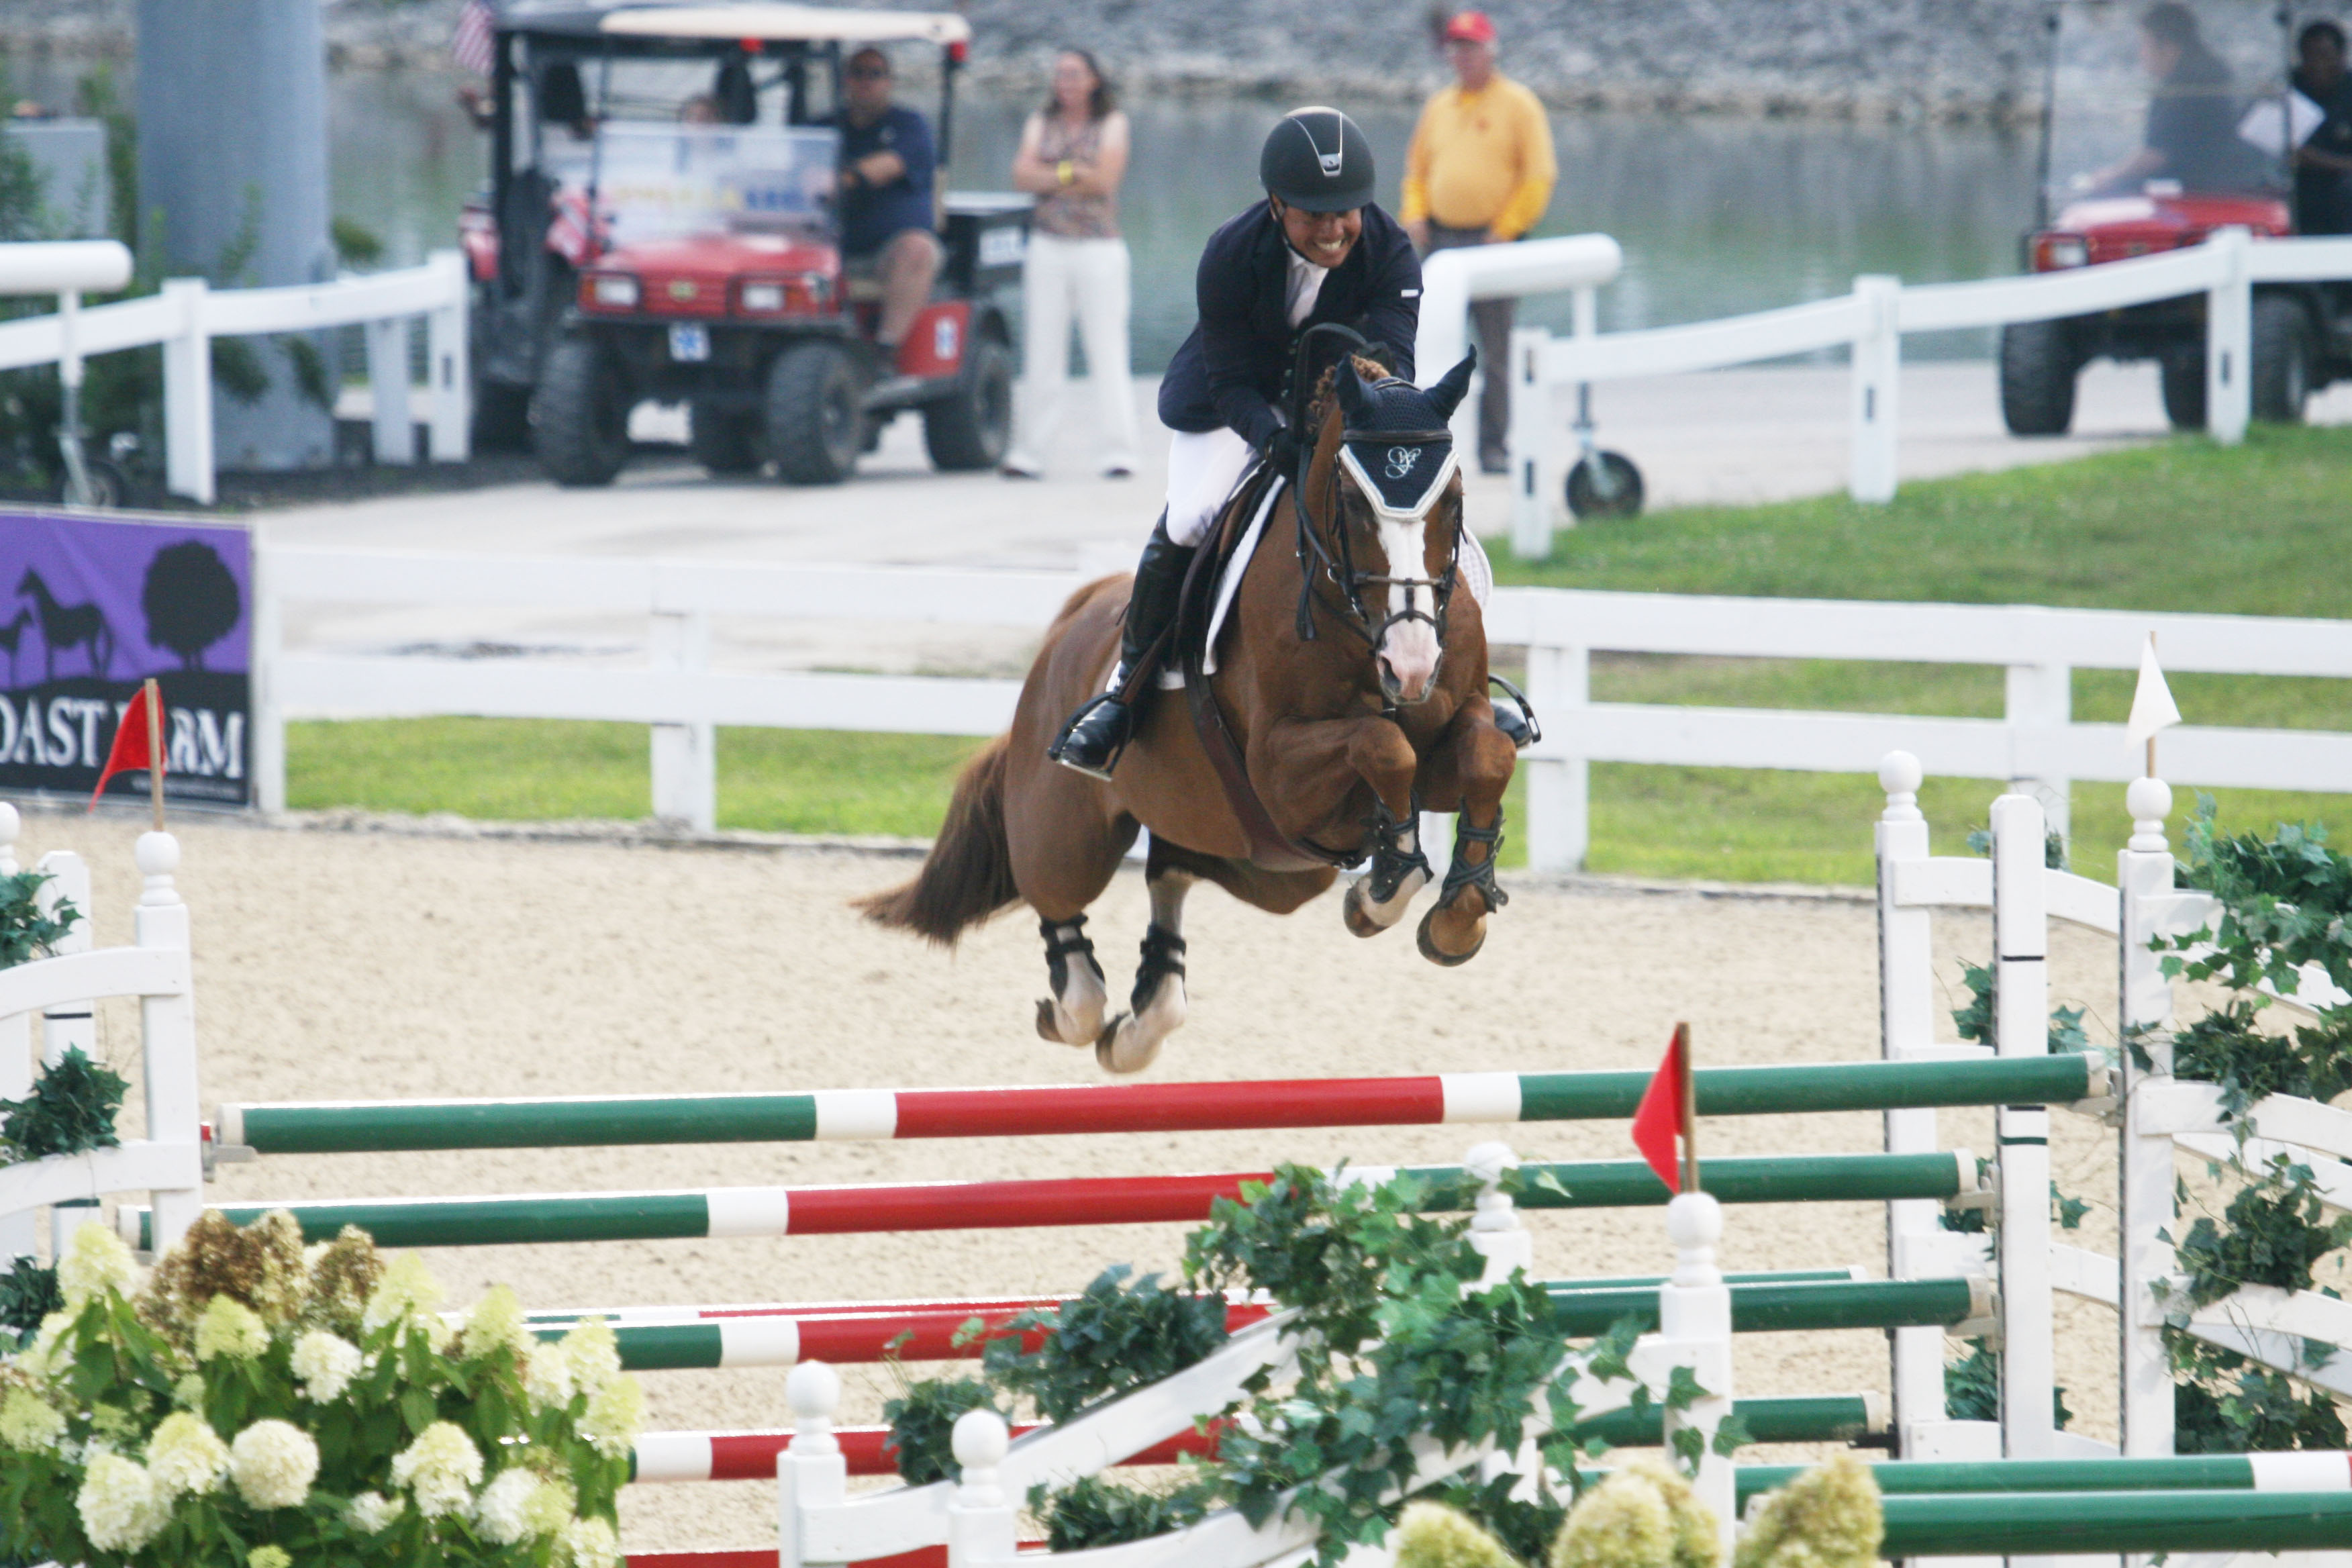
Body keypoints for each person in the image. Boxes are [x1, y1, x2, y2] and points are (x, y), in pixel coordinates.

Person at [1048, 106, 1422, 779]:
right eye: (1314, 214)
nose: (1334, 230)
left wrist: (1336, 429)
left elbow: (1393, 361)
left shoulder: (1391, 251)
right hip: (1234, 405)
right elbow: (1230, 383)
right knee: (1193, 515)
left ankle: (1465, 681)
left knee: (1416, 508)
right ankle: (1124, 693)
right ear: (1277, 204)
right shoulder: (1229, 251)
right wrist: (1275, 440)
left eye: (1347, 212)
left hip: (1343, 405)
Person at [1398, 10, 1557, 474]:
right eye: (1456, 48)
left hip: (1492, 243)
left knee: (1496, 350)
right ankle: (1418, 441)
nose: (1463, 57)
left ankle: (1493, 446)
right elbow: (1417, 169)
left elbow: (1538, 175)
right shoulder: (1440, 106)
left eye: (1471, 47)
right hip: (1442, 239)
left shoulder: (1518, 104)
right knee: (1426, 341)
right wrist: (1415, 213)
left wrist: (1506, 230)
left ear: (1490, 50)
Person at [1001, 48, 1140, 481]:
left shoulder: (1112, 123)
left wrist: (1055, 173)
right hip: (1048, 245)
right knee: (1042, 349)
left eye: (1075, 74)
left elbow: (1104, 180)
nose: (1067, 82)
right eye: (1060, 74)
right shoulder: (1040, 122)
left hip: (1098, 247)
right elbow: (1022, 176)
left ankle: (1119, 450)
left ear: (1094, 79)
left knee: (1107, 349)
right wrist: (1070, 173)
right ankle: (1031, 451)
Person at [826, 46, 943, 356]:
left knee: (918, 249)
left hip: (887, 251)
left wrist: (838, 180)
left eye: (875, 74)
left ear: (889, 81)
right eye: (857, 74)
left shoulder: (910, 126)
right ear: (845, 81)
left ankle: (884, 351)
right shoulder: (824, 127)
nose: (866, 81)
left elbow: (882, 169)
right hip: (828, 245)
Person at [2088, 3, 2248, 195]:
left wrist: (2110, 176)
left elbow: (2156, 154)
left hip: (2198, 196)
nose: (2141, 54)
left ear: (2169, 48)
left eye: (2144, 44)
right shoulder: (2206, 72)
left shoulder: (2189, 86)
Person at [2292, 20, 2352, 234]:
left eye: (2325, 55)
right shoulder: (2291, 87)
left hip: (2343, 193)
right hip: (2300, 189)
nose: (2318, 64)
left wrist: (2315, 159)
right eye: (2310, 56)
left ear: (2342, 56)